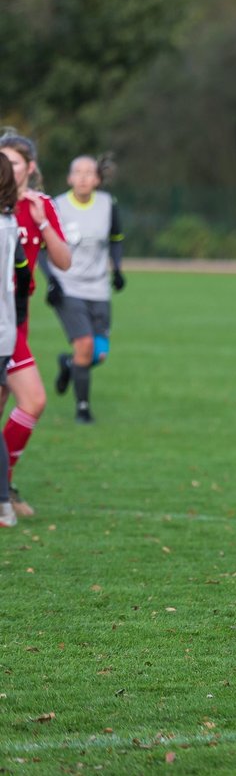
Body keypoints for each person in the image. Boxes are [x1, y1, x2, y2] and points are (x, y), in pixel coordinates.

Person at [0, 132, 72, 518]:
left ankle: (3, 487)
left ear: (29, 167)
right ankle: (4, 489)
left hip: (16, 324)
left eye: (13, 162)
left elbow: (63, 261)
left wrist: (44, 225)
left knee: (29, 403)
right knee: (33, 400)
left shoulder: (40, 205)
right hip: (4, 324)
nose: (7, 169)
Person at [43, 155, 125, 424]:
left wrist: (118, 269)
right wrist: (51, 280)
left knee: (98, 353)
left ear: (98, 179)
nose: (82, 177)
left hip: (99, 287)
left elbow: (116, 239)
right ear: (69, 178)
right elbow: (42, 247)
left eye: (89, 172)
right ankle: (83, 409)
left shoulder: (106, 204)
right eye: (77, 172)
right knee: (85, 344)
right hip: (68, 286)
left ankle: (69, 365)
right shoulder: (56, 206)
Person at [0, 154, 32, 527]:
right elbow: (23, 276)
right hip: (5, 334)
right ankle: (4, 505)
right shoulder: (10, 224)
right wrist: (19, 315)